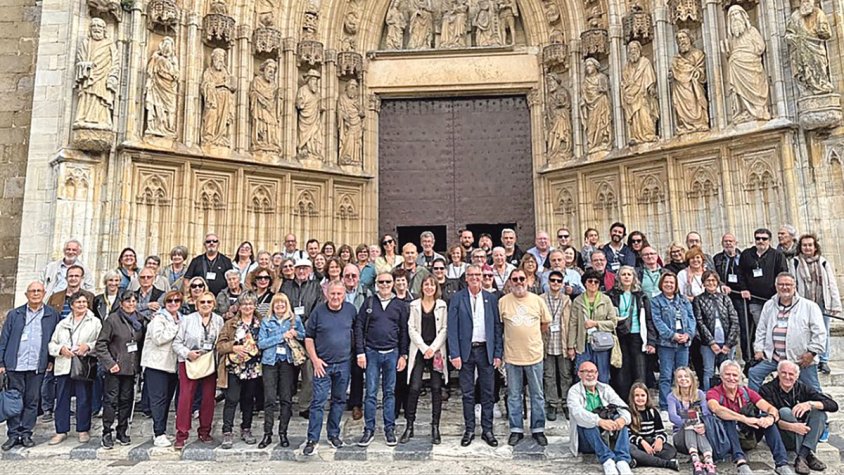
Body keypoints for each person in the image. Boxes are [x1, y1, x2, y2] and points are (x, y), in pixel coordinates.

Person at [447, 264, 503, 448]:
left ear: (483, 276)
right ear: (466, 278)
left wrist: (497, 353)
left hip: (485, 350)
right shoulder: (457, 298)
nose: (474, 277)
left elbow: (496, 327)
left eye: (477, 274)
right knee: (468, 393)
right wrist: (454, 353)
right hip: (465, 352)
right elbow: (452, 329)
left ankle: (487, 430)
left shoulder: (491, 298)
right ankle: (469, 429)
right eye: (471, 275)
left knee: (487, 393)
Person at [706, 360, 795, 475]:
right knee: (729, 418)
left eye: (735, 375)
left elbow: (771, 408)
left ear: (739, 377)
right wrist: (744, 419)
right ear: (721, 376)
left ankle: (781, 463)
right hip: (726, 438)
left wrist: (770, 418)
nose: (731, 378)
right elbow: (716, 409)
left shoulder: (746, 392)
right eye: (728, 374)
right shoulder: (714, 392)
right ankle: (740, 462)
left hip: (747, 434)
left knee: (766, 419)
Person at [0, 282, 60, 451]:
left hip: (36, 366)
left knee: (32, 401)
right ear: (26, 294)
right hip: (15, 365)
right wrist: (1, 362)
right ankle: (12, 434)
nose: (35, 294)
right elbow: (4, 339)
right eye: (32, 291)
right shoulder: (15, 314)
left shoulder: (52, 315)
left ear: (44, 293)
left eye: (39, 291)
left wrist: (51, 360)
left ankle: (26, 433)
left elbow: (54, 339)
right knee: (13, 400)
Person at [355, 272, 410, 447]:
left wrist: (403, 354)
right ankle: (369, 429)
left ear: (393, 283)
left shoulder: (399, 305)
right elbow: (359, 327)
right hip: (371, 352)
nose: (385, 284)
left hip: (392, 353)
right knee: (370, 392)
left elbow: (403, 331)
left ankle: (389, 429)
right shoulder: (369, 302)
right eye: (381, 282)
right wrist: (360, 352)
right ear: (377, 283)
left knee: (389, 393)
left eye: (388, 281)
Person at [303, 280, 357, 456]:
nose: (335, 297)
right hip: (322, 365)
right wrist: (315, 360)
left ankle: (333, 434)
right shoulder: (318, 311)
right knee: (318, 402)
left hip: (343, 363)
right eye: (332, 293)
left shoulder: (351, 310)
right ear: (327, 294)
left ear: (344, 294)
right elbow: (309, 337)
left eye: (339, 294)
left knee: (339, 400)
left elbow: (356, 334)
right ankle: (312, 438)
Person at [499, 269, 552, 446]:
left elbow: (545, 323)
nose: (519, 282)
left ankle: (538, 429)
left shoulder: (538, 301)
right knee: (514, 395)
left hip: (534, 356)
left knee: (537, 395)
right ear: (510, 282)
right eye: (515, 279)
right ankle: (516, 429)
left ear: (528, 281)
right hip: (512, 357)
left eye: (522, 278)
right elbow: (499, 326)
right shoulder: (503, 302)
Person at [748, 273, 825, 392]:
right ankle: (757, 406)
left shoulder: (809, 306)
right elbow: (761, 329)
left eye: (788, 284)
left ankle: (819, 409)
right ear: (776, 286)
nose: (784, 287)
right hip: (775, 358)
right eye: (781, 284)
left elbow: (819, 333)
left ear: (795, 286)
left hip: (800, 358)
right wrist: (758, 349)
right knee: (754, 373)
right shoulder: (769, 305)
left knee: (813, 389)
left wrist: (812, 353)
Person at [760, 360, 837, 475]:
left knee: (820, 413)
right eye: (784, 373)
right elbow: (768, 420)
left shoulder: (802, 388)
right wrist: (792, 427)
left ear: (797, 376)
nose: (787, 377)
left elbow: (833, 405)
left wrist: (809, 404)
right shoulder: (767, 389)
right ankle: (808, 455)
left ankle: (802, 456)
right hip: (782, 435)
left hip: (803, 431)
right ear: (778, 373)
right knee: (785, 412)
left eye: (791, 374)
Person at [172, 292, 225, 449]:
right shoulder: (187, 320)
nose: (206, 304)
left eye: (209, 301)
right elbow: (176, 343)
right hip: (189, 362)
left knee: (208, 399)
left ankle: (205, 431)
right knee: (186, 398)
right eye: (202, 301)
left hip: (209, 363)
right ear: (196, 304)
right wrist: (188, 353)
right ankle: (182, 434)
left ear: (214, 304)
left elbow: (220, 342)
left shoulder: (218, 320)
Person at [47, 291, 101, 445]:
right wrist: (61, 350)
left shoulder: (95, 322)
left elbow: (100, 341)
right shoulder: (62, 324)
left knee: (83, 398)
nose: (82, 305)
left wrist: (88, 346)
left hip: (82, 364)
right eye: (78, 302)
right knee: (62, 398)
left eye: (84, 302)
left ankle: (83, 429)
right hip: (64, 363)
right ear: (71, 305)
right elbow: (52, 344)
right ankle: (61, 430)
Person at [96, 291, 145, 449]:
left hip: (131, 367)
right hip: (115, 368)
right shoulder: (112, 320)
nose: (131, 304)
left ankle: (122, 430)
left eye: (134, 301)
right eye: (128, 301)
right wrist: (110, 363)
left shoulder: (139, 319)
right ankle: (107, 431)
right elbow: (101, 345)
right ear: (121, 303)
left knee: (127, 400)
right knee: (111, 400)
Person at [402, 275, 448, 444]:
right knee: (414, 387)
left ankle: (435, 426)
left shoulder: (442, 305)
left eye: (432, 285)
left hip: (435, 350)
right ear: (421, 287)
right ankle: (409, 426)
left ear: (436, 287)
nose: (429, 287)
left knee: (436, 388)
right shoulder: (414, 305)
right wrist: (424, 348)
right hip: (420, 349)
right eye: (426, 284)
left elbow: (444, 329)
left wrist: (432, 348)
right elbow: (411, 328)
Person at [567, 361, 634, 475]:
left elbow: (624, 407)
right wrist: (599, 421)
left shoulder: (605, 388)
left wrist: (622, 420)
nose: (590, 374)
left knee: (619, 417)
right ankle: (607, 460)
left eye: (593, 371)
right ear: (579, 374)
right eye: (586, 371)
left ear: (597, 374)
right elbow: (577, 413)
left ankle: (622, 461)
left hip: (607, 437)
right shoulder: (574, 391)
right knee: (588, 423)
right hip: (587, 440)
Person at [257, 293, 305, 449]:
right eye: (277, 304)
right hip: (270, 362)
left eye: (282, 304)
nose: (279, 307)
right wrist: (281, 336)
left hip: (287, 362)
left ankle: (283, 433)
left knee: (286, 399)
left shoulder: (294, 320)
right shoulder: (266, 321)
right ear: (273, 306)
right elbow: (261, 343)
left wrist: (295, 333)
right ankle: (267, 434)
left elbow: (304, 335)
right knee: (269, 399)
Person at [216, 292, 262, 449]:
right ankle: (227, 432)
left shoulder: (261, 323)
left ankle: (246, 429)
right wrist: (233, 347)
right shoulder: (230, 324)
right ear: (239, 306)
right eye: (244, 304)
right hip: (234, 368)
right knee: (231, 399)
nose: (247, 307)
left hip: (253, 368)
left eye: (250, 304)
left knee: (248, 401)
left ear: (255, 305)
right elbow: (220, 346)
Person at [280, 258, 324, 417]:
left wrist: (303, 328)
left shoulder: (315, 287)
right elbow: (281, 307)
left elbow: (318, 309)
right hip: (289, 333)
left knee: (308, 373)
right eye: (299, 268)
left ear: (310, 270)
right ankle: (286, 406)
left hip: (307, 335)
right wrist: (291, 327)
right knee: (287, 373)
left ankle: (304, 406)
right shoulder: (286, 286)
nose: (301, 271)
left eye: (305, 268)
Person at [791, 233, 841, 375]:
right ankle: (812, 358)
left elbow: (831, 283)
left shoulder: (823, 262)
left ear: (815, 247)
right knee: (805, 331)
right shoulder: (795, 262)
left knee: (823, 331)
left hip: (821, 302)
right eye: (804, 245)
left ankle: (824, 360)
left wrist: (835, 305)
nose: (807, 248)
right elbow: (793, 282)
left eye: (810, 245)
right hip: (804, 303)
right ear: (800, 247)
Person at [141, 290, 182, 447]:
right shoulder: (158, 318)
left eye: (176, 301)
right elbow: (159, 338)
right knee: (158, 400)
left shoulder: (180, 318)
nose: (173, 303)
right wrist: (175, 328)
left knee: (166, 400)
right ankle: (158, 433)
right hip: (156, 365)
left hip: (172, 365)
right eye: (170, 301)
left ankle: (162, 431)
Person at [651, 272, 696, 409]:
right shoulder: (656, 301)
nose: (669, 285)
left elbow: (691, 318)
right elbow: (657, 321)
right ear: (661, 284)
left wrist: (688, 334)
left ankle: (683, 403)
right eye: (666, 282)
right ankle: (665, 405)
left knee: (683, 375)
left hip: (684, 344)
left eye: (671, 282)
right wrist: (672, 335)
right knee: (665, 375)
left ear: (676, 285)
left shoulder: (683, 300)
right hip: (666, 344)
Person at [607, 266, 652, 400]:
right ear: (618, 278)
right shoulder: (612, 295)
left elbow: (649, 318)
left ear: (634, 278)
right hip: (619, 336)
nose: (626, 277)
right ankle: (624, 401)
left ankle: (639, 401)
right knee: (621, 371)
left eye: (629, 274)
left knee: (639, 370)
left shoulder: (641, 295)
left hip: (637, 335)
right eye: (623, 274)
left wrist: (651, 340)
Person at [567, 269, 618, 384]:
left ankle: (601, 401)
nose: (593, 284)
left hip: (601, 343)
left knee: (602, 376)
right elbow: (573, 324)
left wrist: (596, 324)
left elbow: (613, 322)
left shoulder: (606, 300)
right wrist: (571, 346)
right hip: (583, 343)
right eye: (590, 281)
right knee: (582, 374)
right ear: (585, 283)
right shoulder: (578, 301)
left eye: (596, 282)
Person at [666, 367, 716, 475]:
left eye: (686, 376)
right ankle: (696, 460)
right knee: (690, 422)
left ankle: (708, 461)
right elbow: (672, 416)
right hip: (681, 437)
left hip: (700, 433)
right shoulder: (672, 396)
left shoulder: (700, 394)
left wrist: (702, 425)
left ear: (692, 379)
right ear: (676, 380)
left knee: (695, 422)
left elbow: (706, 414)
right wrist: (690, 422)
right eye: (680, 377)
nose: (683, 379)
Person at [694, 271, 739, 390]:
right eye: (708, 281)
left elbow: (734, 320)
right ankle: (708, 397)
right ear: (703, 283)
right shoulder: (698, 300)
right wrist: (711, 342)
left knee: (728, 371)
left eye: (713, 280)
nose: (711, 283)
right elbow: (700, 322)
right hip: (708, 343)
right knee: (708, 370)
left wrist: (728, 344)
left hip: (727, 343)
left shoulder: (725, 298)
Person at [738, 227, 788, 333]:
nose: (761, 241)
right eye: (758, 238)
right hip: (754, 300)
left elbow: (783, 275)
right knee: (761, 327)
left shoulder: (777, 255)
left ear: (769, 240)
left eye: (764, 239)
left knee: (774, 326)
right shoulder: (746, 254)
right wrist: (744, 289)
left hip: (773, 300)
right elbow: (740, 273)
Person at [713, 233, 751, 363]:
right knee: (727, 326)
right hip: (725, 297)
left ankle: (747, 358)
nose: (728, 243)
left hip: (742, 297)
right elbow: (715, 276)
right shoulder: (717, 258)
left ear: (736, 242)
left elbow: (749, 274)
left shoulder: (744, 257)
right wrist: (722, 285)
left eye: (731, 241)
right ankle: (728, 358)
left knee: (744, 327)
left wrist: (746, 289)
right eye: (725, 241)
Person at [542, 270, 573, 421]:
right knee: (549, 375)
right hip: (546, 342)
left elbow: (571, 323)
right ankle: (552, 404)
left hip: (563, 341)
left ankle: (566, 403)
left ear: (562, 284)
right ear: (548, 282)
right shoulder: (540, 299)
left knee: (565, 374)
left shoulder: (567, 300)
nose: (555, 283)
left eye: (558, 281)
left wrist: (571, 344)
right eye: (553, 280)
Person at [627, 382, 679, 470]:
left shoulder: (652, 412)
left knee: (671, 451)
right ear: (632, 397)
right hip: (638, 445)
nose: (640, 398)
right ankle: (666, 464)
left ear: (647, 396)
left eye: (643, 395)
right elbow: (628, 435)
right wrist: (642, 442)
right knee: (630, 449)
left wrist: (659, 440)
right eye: (637, 395)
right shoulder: (629, 413)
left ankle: (640, 461)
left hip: (651, 443)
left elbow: (661, 431)